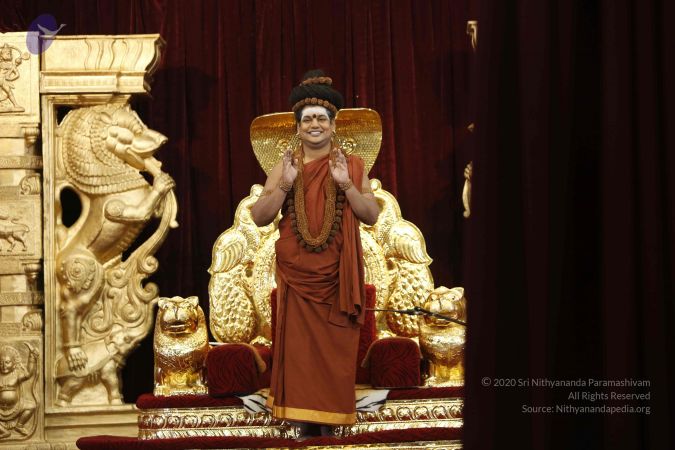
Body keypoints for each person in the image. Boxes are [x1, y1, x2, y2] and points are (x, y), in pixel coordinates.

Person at [251, 70, 379, 437]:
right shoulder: (285, 165)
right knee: (300, 355)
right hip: (297, 277)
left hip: (337, 279)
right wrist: (285, 184)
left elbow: (370, 215)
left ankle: (330, 431)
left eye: (322, 118)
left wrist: (346, 185)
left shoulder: (351, 166)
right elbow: (260, 217)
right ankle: (304, 432)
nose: (315, 125)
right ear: (298, 126)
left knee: (335, 355)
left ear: (333, 124)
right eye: (307, 119)